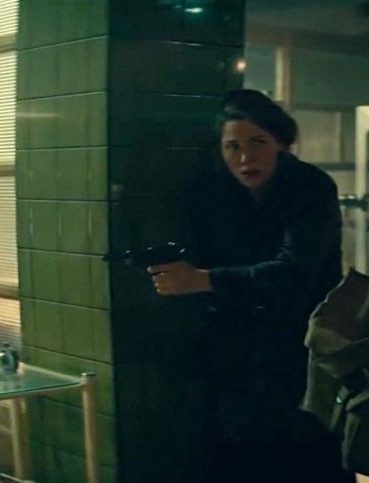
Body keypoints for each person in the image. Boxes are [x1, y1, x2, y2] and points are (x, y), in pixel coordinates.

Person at [146, 89, 355, 482]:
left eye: (257, 142)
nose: (245, 157)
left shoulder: (310, 187)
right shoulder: (216, 193)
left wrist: (201, 280)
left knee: (309, 460)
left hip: (303, 352)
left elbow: (295, 274)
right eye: (233, 147)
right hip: (237, 361)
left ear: (280, 142)